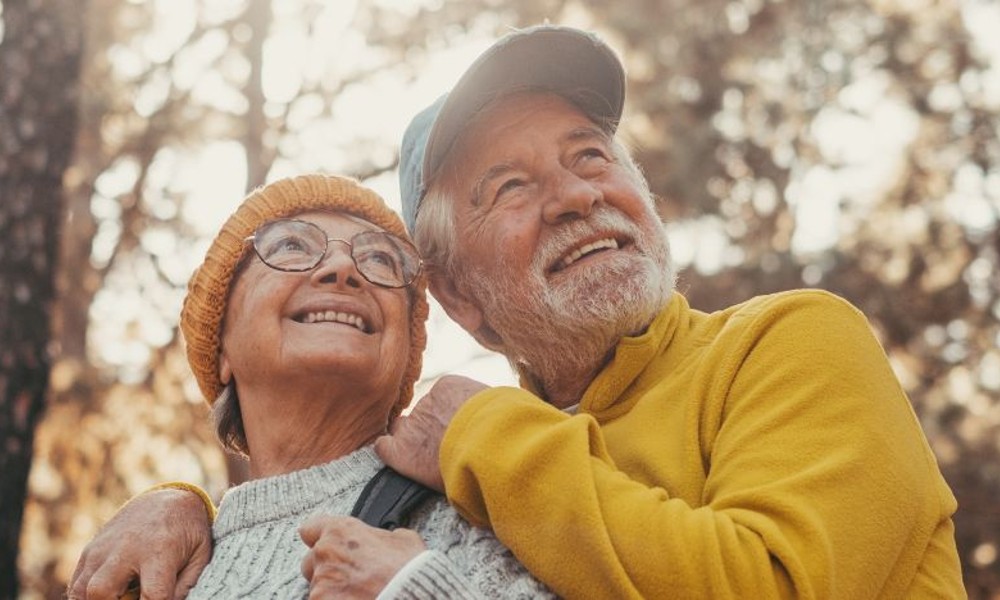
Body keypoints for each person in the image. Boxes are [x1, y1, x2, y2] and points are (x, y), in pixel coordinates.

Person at [71, 25, 966, 599]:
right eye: (509, 185)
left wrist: (483, 444)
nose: (579, 196)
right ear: (459, 298)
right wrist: (182, 506)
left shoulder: (789, 341)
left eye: (590, 155)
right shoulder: (476, 473)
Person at [69, 174, 553, 599]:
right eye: (291, 246)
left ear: (406, 351)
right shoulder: (159, 567)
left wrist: (416, 589)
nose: (343, 270)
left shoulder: (477, 516)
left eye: (380, 260)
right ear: (222, 349)